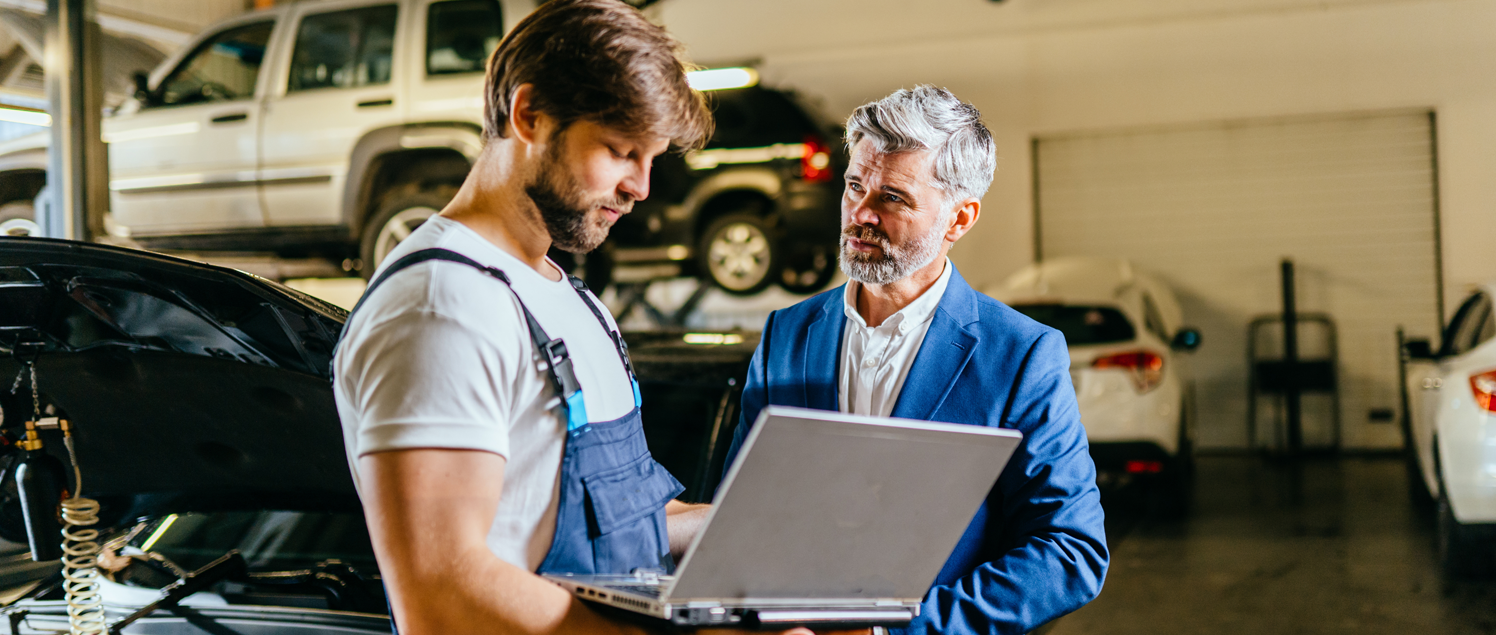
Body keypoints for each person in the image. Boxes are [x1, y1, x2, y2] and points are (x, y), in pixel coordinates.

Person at [332, 2, 828, 634]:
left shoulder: (566, 297)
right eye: (622, 151)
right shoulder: (443, 304)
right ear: (529, 114)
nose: (641, 187)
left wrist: (787, 530)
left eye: (651, 159)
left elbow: (622, 520)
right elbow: (443, 592)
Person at [722, 86, 1110, 635]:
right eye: (855, 185)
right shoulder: (788, 333)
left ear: (959, 219)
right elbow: (739, 508)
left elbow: (1070, 551)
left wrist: (897, 630)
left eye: (893, 198)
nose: (860, 213)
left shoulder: (1020, 354)